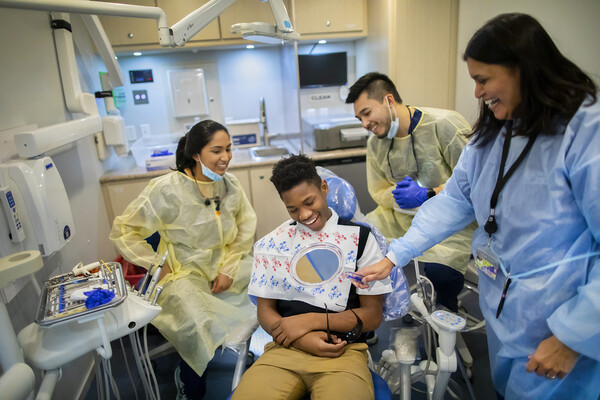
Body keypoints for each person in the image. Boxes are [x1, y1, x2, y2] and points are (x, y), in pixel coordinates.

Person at [357, 13, 600, 400]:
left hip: (563, 316)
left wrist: (574, 336)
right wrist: (396, 254)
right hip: (503, 302)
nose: (476, 93)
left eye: (482, 80)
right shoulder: (492, 136)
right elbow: (456, 199)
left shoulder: (584, 133)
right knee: (507, 388)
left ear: (524, 69)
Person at [110, 120, 257, 400]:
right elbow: (124, 230)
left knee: (271, 283)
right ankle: (190, 383)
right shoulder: (166, 188)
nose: (225, 157)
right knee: (194, 320)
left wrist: (228, 269)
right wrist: (156, 264)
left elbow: (245, 230)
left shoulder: (231, 186)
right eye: (217, 151)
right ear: (196, 154)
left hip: (224, 265)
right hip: (182, 272)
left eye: (228, 149)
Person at [231, 154, 392, 400]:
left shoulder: (360, 239)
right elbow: (265, 311)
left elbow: (372, 316)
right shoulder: (274, 244)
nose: (304, 214)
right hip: (284, 349)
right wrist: (302, 340)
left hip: (342, 352)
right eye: (293, 209)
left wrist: (307, 321)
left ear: (324, 188)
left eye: (310, 202)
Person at [345, 72, 477, 312]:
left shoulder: (444, 124)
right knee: (353, 246)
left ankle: (444, 324)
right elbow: (378, 190)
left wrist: (429, 193)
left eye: (367, 113)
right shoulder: (376, 142)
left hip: (450, 225)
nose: (365, 124)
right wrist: (400, 200)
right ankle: (365, 322)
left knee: (442, 275)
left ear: (388, 100)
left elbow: (474, 180)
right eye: (359, 118)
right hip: (399, 219)